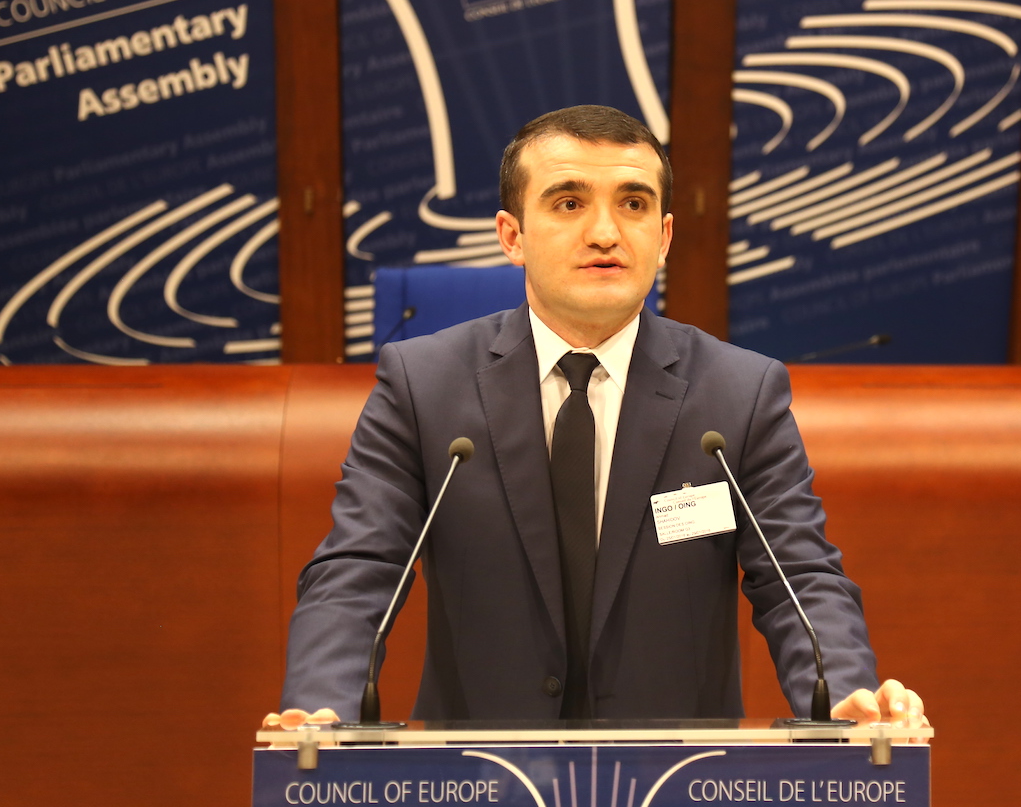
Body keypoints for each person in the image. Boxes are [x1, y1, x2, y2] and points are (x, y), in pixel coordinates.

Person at [282, 105, 927, 729]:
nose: (605, 233)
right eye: (569, 203)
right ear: (512, 236)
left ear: (664, 237)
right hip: (479, 776)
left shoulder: (739, 394)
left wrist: (844, 693)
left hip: (678, 776)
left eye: (633, 204)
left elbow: (799, 578)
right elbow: (358, 569)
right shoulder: (422, 385)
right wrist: (321, 706)